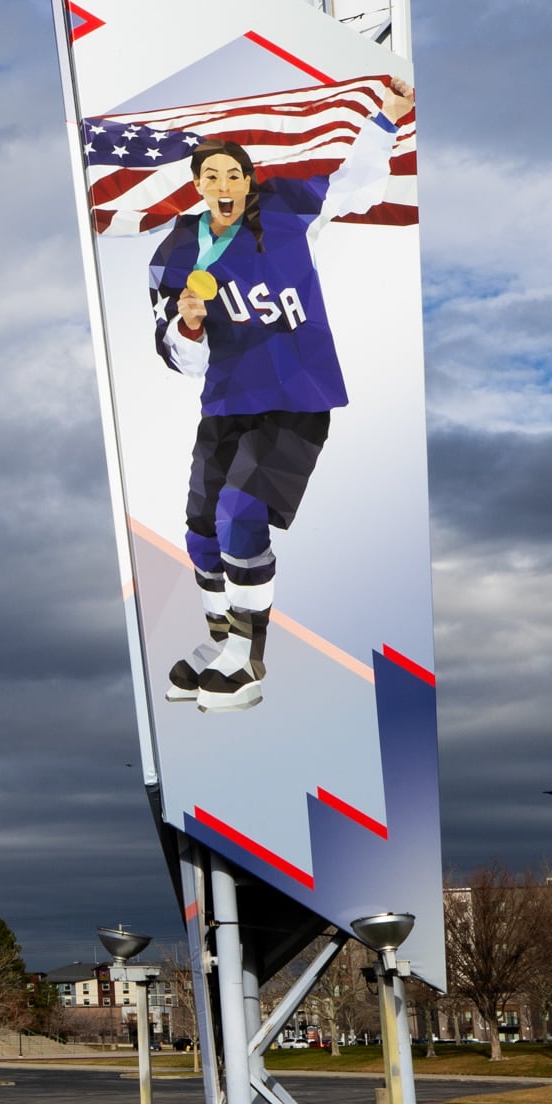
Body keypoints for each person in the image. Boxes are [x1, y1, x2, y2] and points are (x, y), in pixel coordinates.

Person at [151, 80, 413, 711]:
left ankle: (248, 655)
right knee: (199, 531)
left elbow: (355, 184)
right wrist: (186, 323)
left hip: (296, 394)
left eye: (232, 173)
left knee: (241, 513)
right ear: (198, 185)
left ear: (248, 179)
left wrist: (386, 118)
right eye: (209, 174)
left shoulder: (287, 210)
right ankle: (220, 641)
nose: (222, 184)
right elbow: (180, 359)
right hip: (225, 401)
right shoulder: (174, 253)